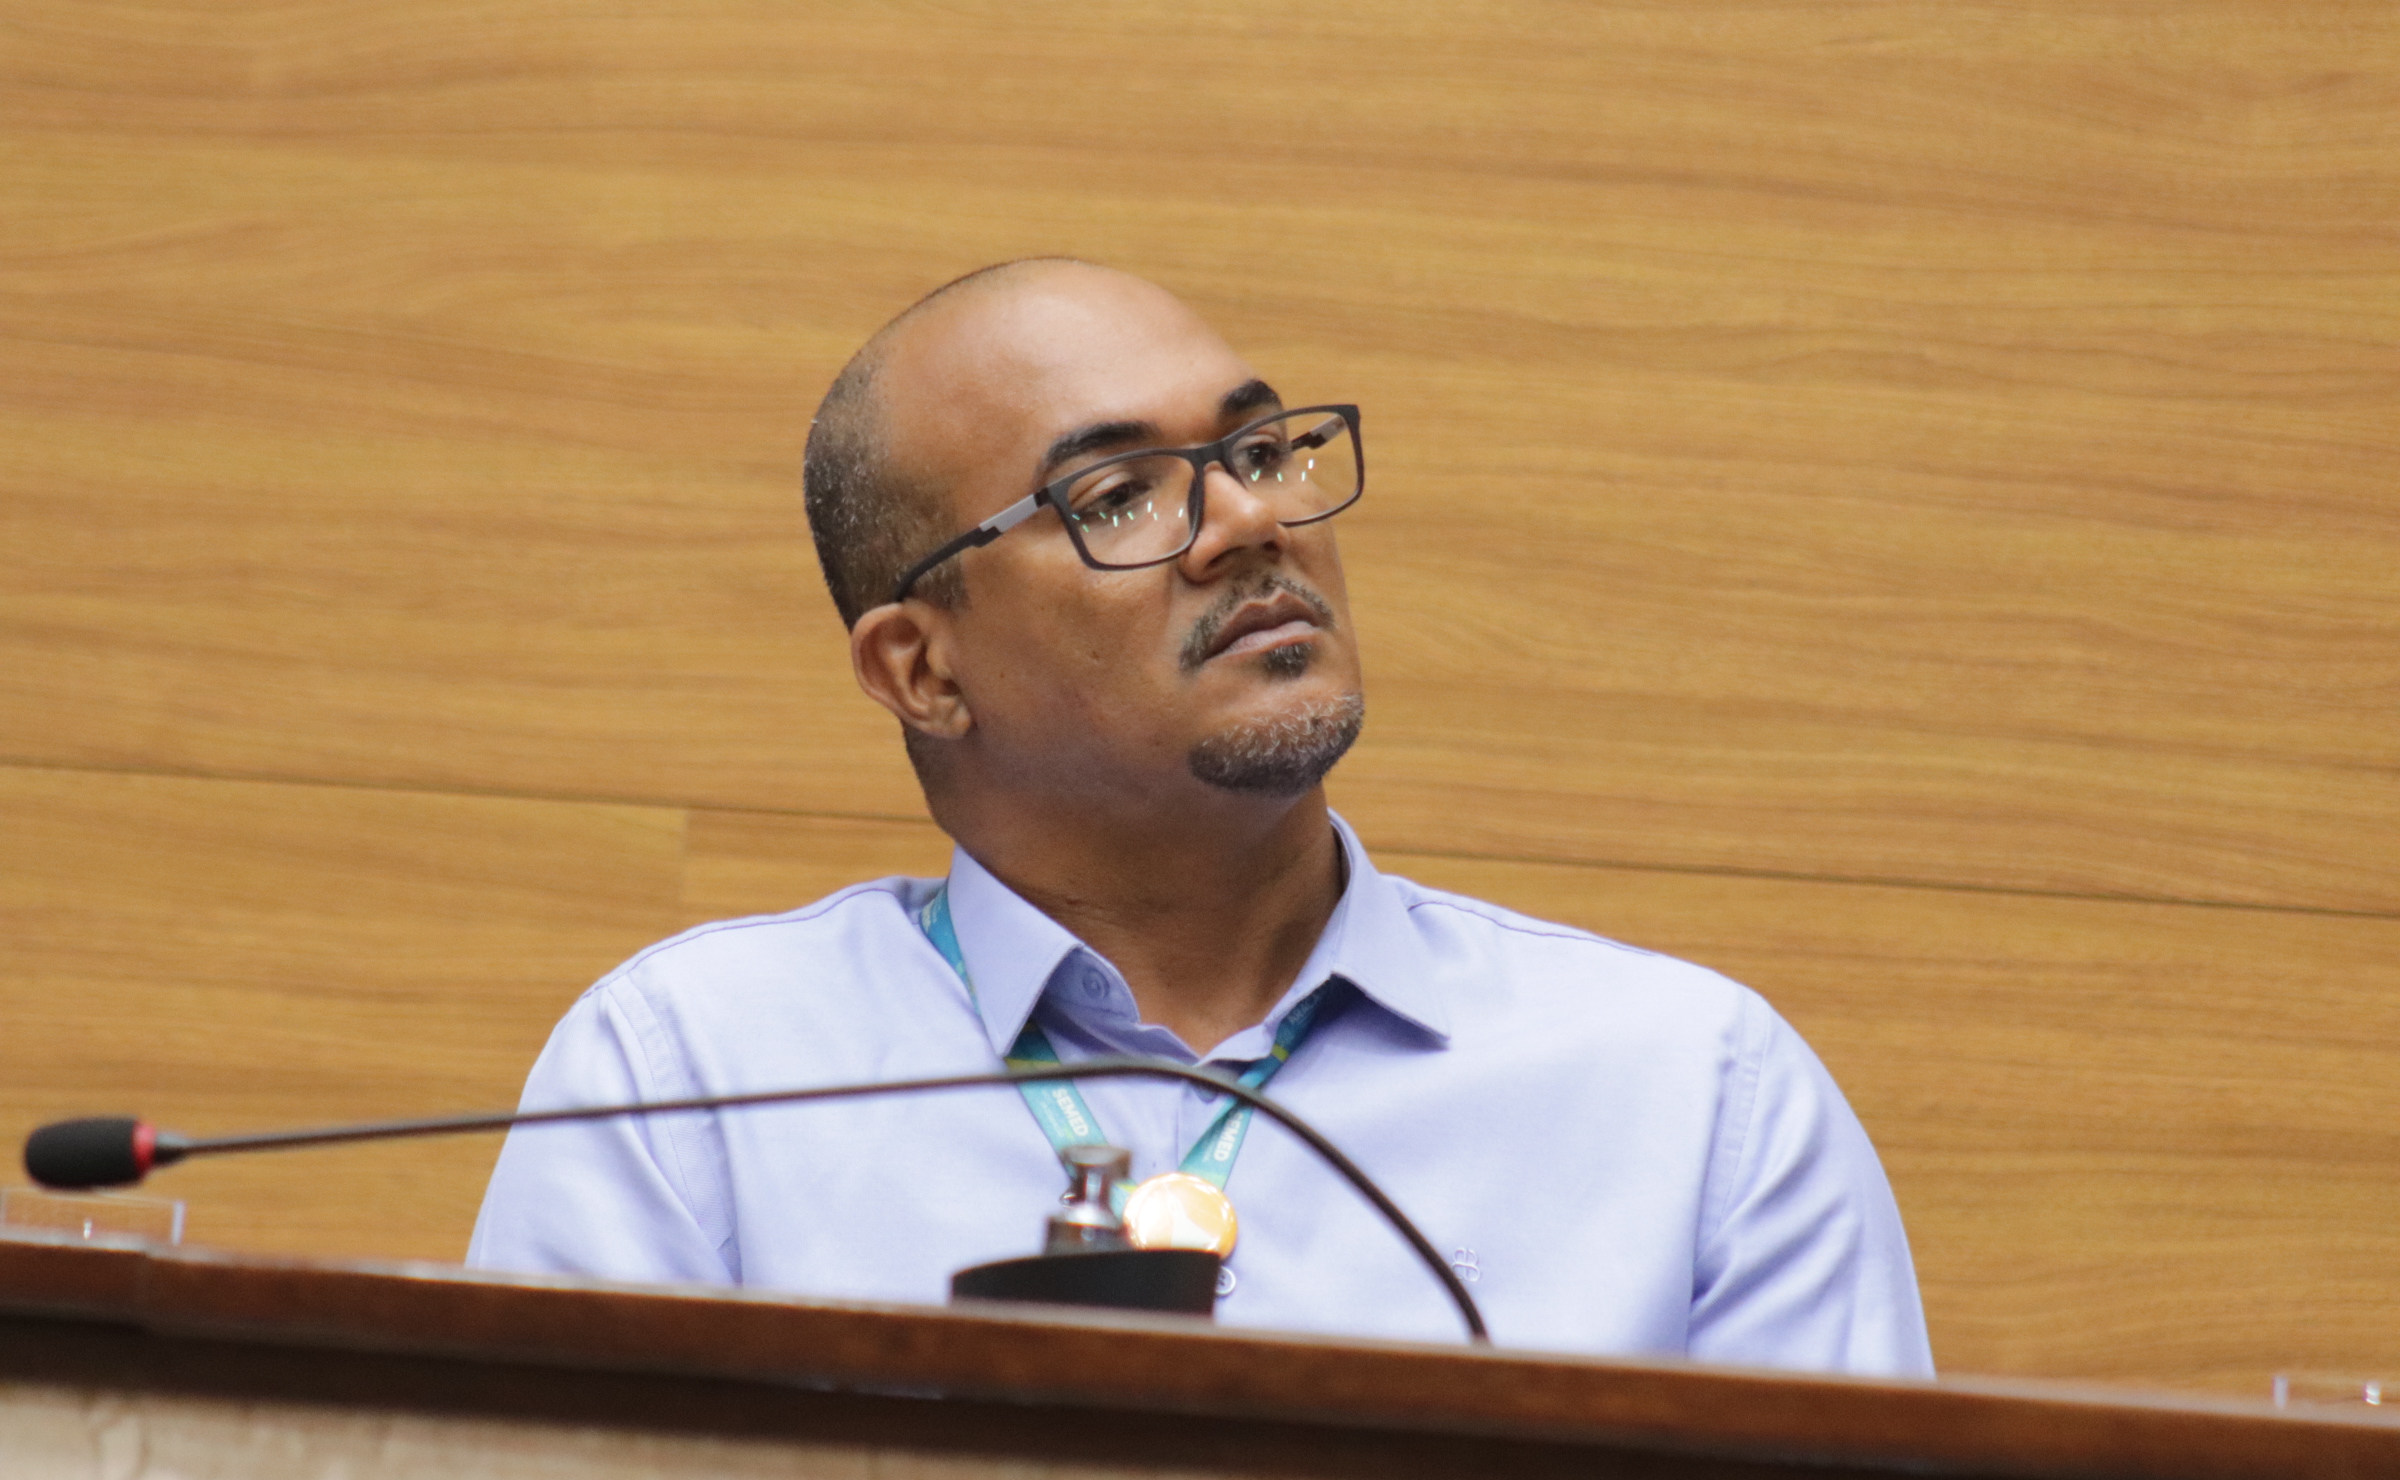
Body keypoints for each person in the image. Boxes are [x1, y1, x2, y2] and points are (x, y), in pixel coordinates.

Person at [468, 260, 1933, 1375]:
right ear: (923, 670)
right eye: (1119, 495)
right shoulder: (693, 1083)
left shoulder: (1688, 1092)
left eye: (1261, 451)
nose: (1249, 520)